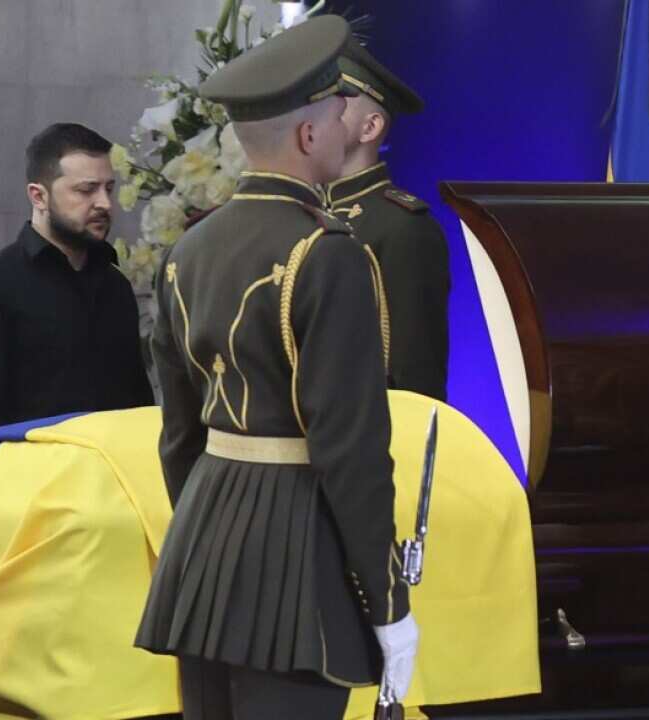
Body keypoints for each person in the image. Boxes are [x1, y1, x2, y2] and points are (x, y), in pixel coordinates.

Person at [134, 16, 418, 720]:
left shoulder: (185, 253)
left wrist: (209, 529)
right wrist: (388, 603)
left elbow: (178, 434)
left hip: (201, 542)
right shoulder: (330, 255)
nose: (352, 120)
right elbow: (350, 449)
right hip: (299, 558)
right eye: (339, 110)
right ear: (310, 134)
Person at [0, 123, 152, 427]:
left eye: (108, 188)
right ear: (38, 196)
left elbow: (136, 403)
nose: (105, 203)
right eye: (86, 190)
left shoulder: (115, 285)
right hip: (30, 471)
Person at [327, 40, 450, 400]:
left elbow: (415, 375)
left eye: (335, 100)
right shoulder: (297, 210)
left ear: (370, 127)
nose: (316, 111)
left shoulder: (402, 227)